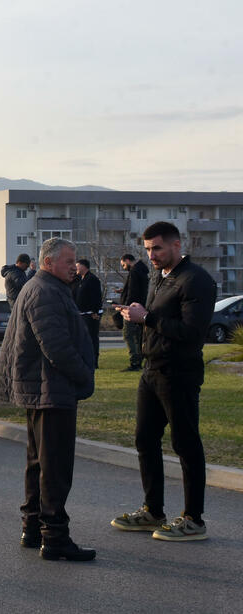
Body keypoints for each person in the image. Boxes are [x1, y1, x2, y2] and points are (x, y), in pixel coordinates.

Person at [0, 237, 97, 561]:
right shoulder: (45, 292)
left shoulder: (45, 287)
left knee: (39, 463)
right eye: (68, 261)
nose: (74, 267)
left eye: (75, 261)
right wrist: (84, 373)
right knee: (54, 468)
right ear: (48, 262)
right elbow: (56, 347)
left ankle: (34, 528)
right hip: (50, 391)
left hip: (44, 389)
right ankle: (54, 537)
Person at [111, 221, 216, 542]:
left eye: (157, 248)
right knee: (145, 440)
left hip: (179, 373)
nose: (151, 255)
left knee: (186, 444)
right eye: (147, 249)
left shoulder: (196, 280)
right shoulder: (159, 277)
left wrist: (147, 318)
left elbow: (192, 332)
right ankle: (153, 511)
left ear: (176, 245)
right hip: (152, 370)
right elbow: (157, 319)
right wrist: (137, 314)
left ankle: (193, 519)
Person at [118, 253, 150, 372]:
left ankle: (135, 362)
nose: (123, 267)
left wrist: (125, 307)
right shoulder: (142, 270)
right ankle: (139, 360)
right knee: (138, 336)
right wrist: (124, 291)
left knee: (129, 335)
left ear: (127, 260)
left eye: (123, 265)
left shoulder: (134, 272)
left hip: (132, 309)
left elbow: (133, 292)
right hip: (141, 307)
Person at [75, 259, 103, 368]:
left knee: (92, 338)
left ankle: (94, 361)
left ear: (84, 266)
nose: (76, 268)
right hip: (82, 314)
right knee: (83, 339)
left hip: (91, 314)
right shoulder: (81, 279)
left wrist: (95, 311)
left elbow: (97, 296)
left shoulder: (92, 279)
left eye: (77, 266)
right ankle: (85, 360)